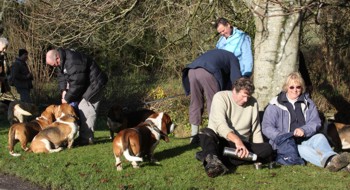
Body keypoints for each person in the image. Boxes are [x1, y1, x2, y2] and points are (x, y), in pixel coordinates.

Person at [262, 72, 350, 171]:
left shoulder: (308, 103)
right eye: (292, 87)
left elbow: (315, 122)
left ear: (302, 88)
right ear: (286, 87)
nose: (295, 90)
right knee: (303, 150)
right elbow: (267, 127)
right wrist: (284, 136)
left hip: (305, 138)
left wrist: (303, 130)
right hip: (285, 143)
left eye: (298, 87)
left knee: (320, 137)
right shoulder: (274, 105)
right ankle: (334, 163)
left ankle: (333, 158)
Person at [196, 77, 273, 178]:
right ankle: (214, 160)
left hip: (241, 147)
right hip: (221, 140)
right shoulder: (220, 97)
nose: (246, 100)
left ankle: (211, 156)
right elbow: (220, 125)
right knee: (205, 133)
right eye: (243, 96)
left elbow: (256, 130)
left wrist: (259, 152)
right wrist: (237, 140)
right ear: (234, 91)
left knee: (267, 148)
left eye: (248, 97)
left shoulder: (253, 103)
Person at [46, 48, 108, 146]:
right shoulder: (61, 62)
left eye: (54, 64)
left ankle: (87, 139)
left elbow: (77, 83)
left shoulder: (73, 61)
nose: (55, 66)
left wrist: (67, 98)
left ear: (57, 58)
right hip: (85, 85)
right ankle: (82, 136)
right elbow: (62, 77)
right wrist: (63, 91)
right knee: (79, 109)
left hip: (94, 85)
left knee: (86, 109)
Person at [182, 49, 242, 143]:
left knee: (195, 103)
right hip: (207, 72)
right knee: (214, 103)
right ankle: (212, 136)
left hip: (191, 71)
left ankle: (193, 137)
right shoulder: (233, 57)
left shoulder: (217, 53)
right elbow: (236, 80)